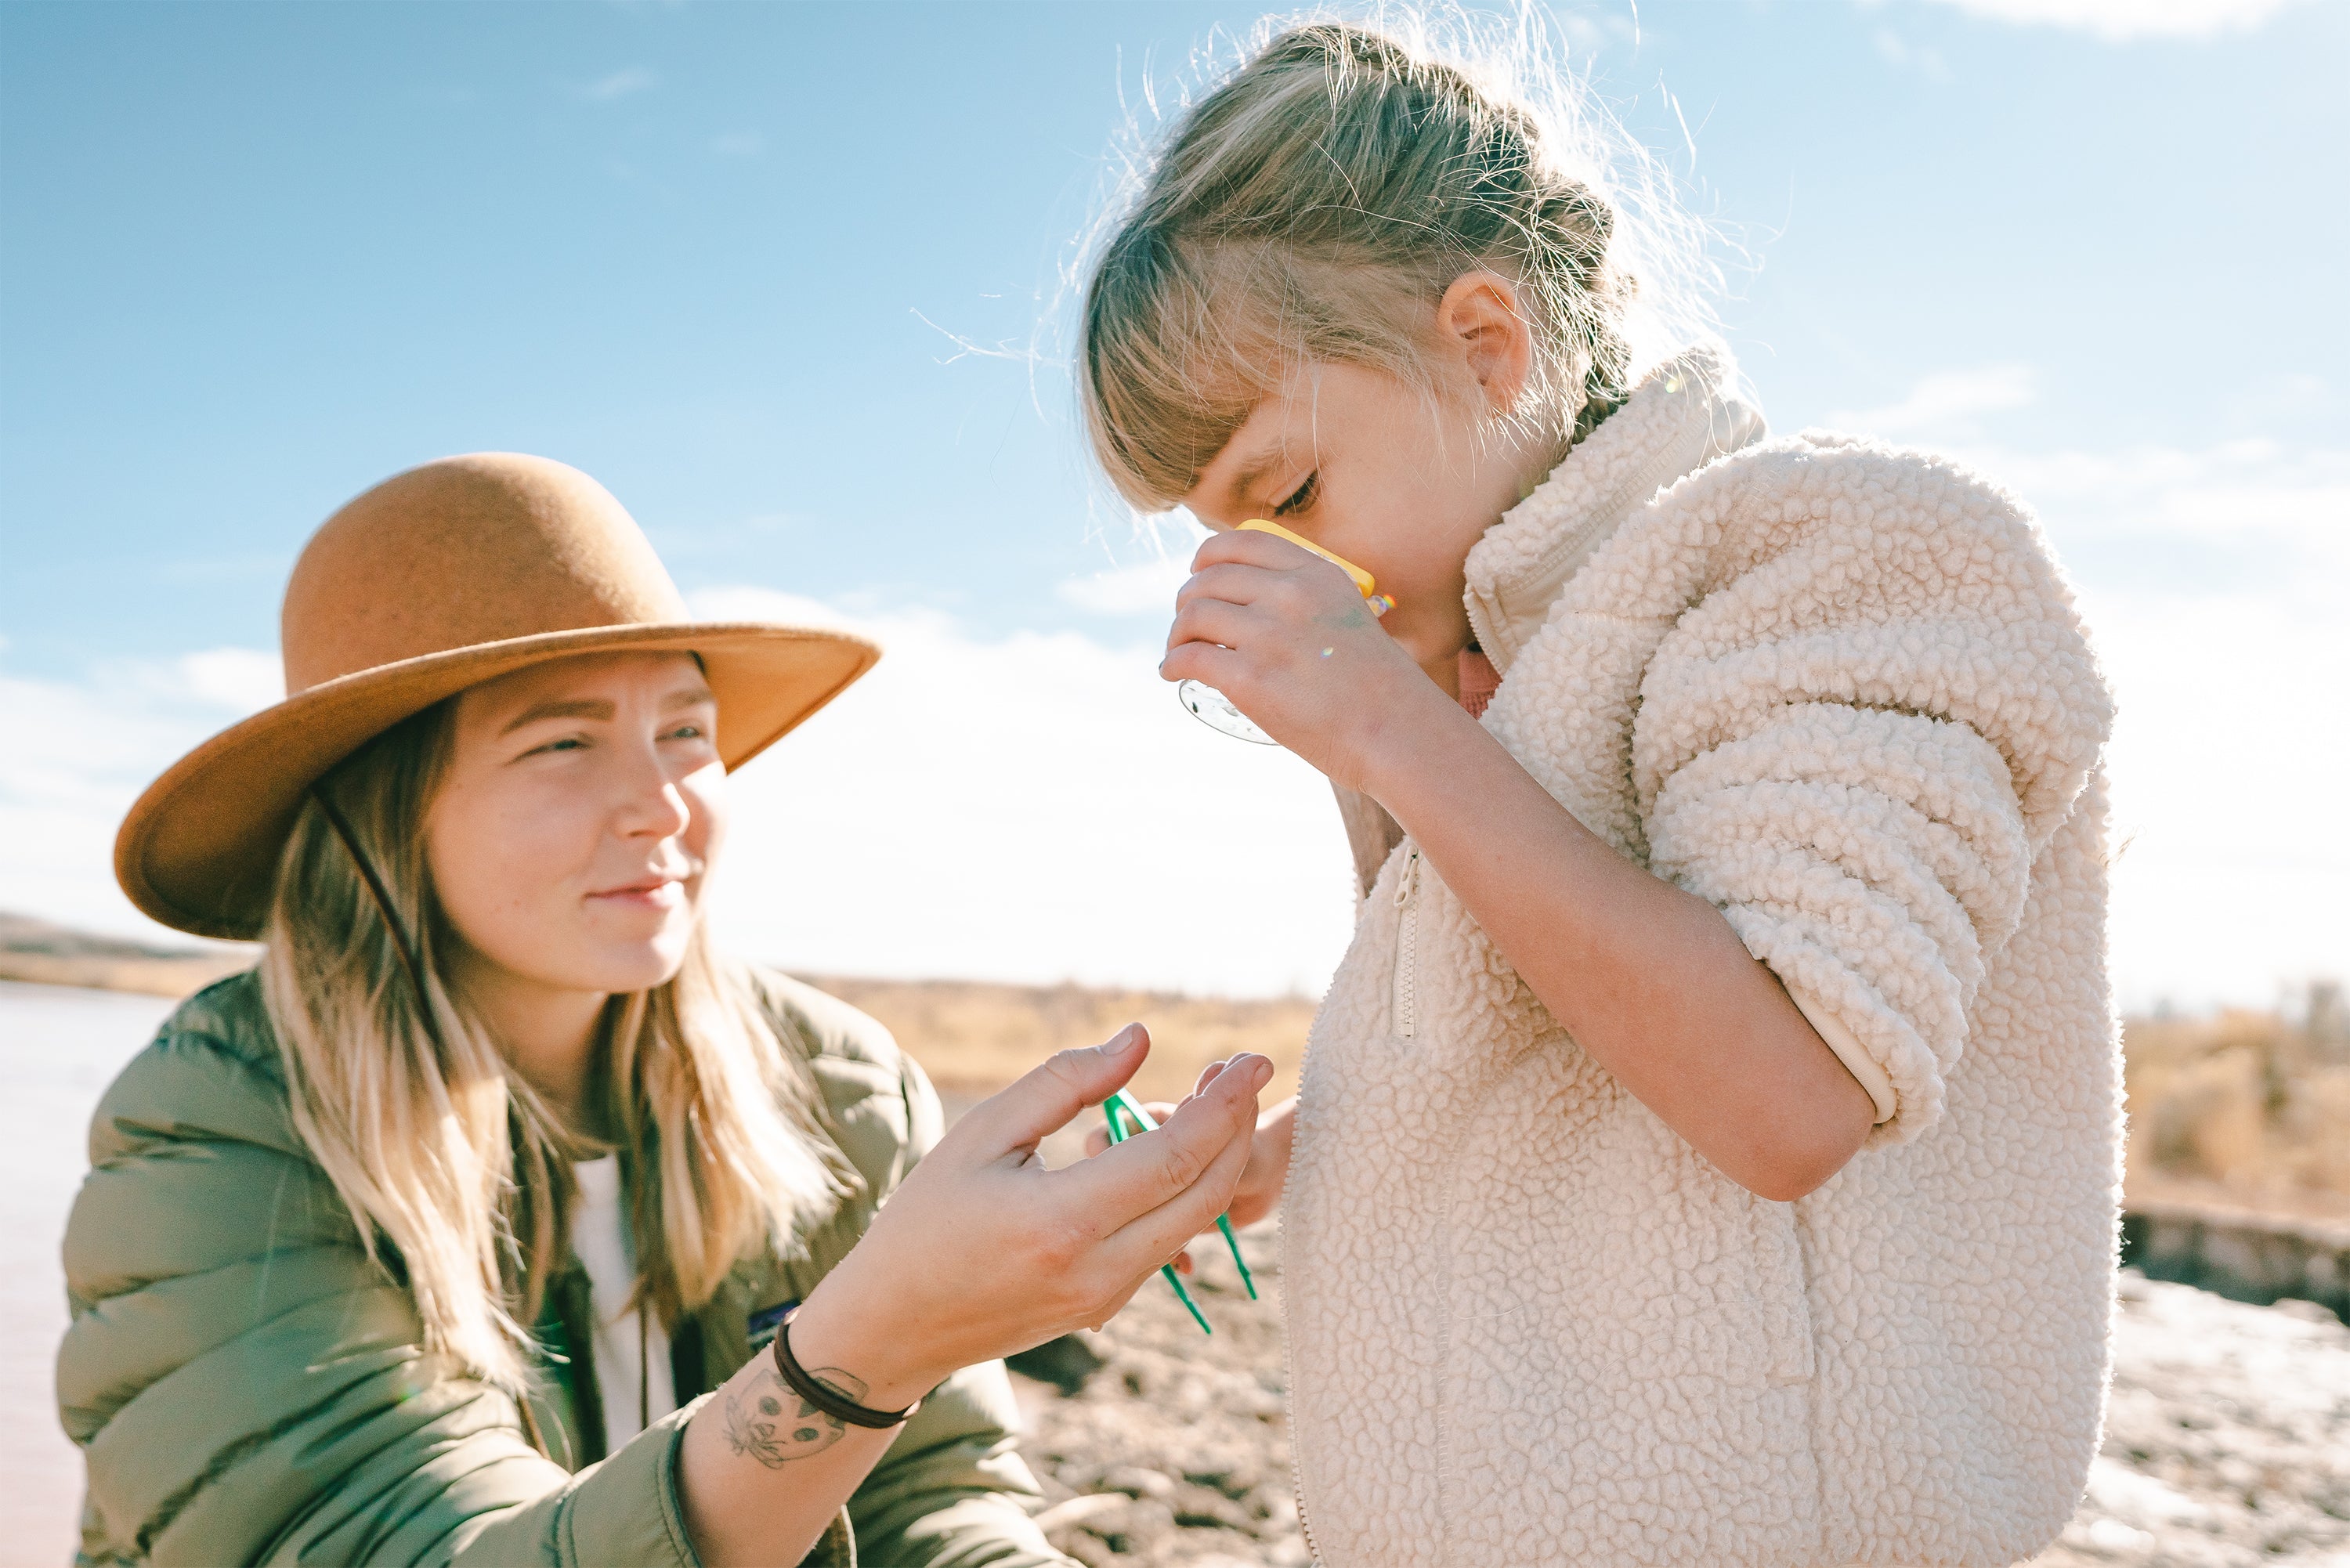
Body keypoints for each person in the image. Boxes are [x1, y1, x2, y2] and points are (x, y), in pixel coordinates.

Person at [1078, 21, 2120, 1566]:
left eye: (1289, 493)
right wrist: (1294, 1143)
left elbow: (1788, 1095)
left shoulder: (1839, 549)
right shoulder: (1494, 668)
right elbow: (1555, 1064)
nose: (1271, 568)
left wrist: (1398, 737)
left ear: (1487, 344)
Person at [60, 453, 1272, 1568]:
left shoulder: (835, 1086)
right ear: (386, 812)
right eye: (563, 743)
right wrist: (869, 1344)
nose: (662, 803)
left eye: (685, 730)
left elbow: (936, 1505)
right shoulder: (216, 1127)